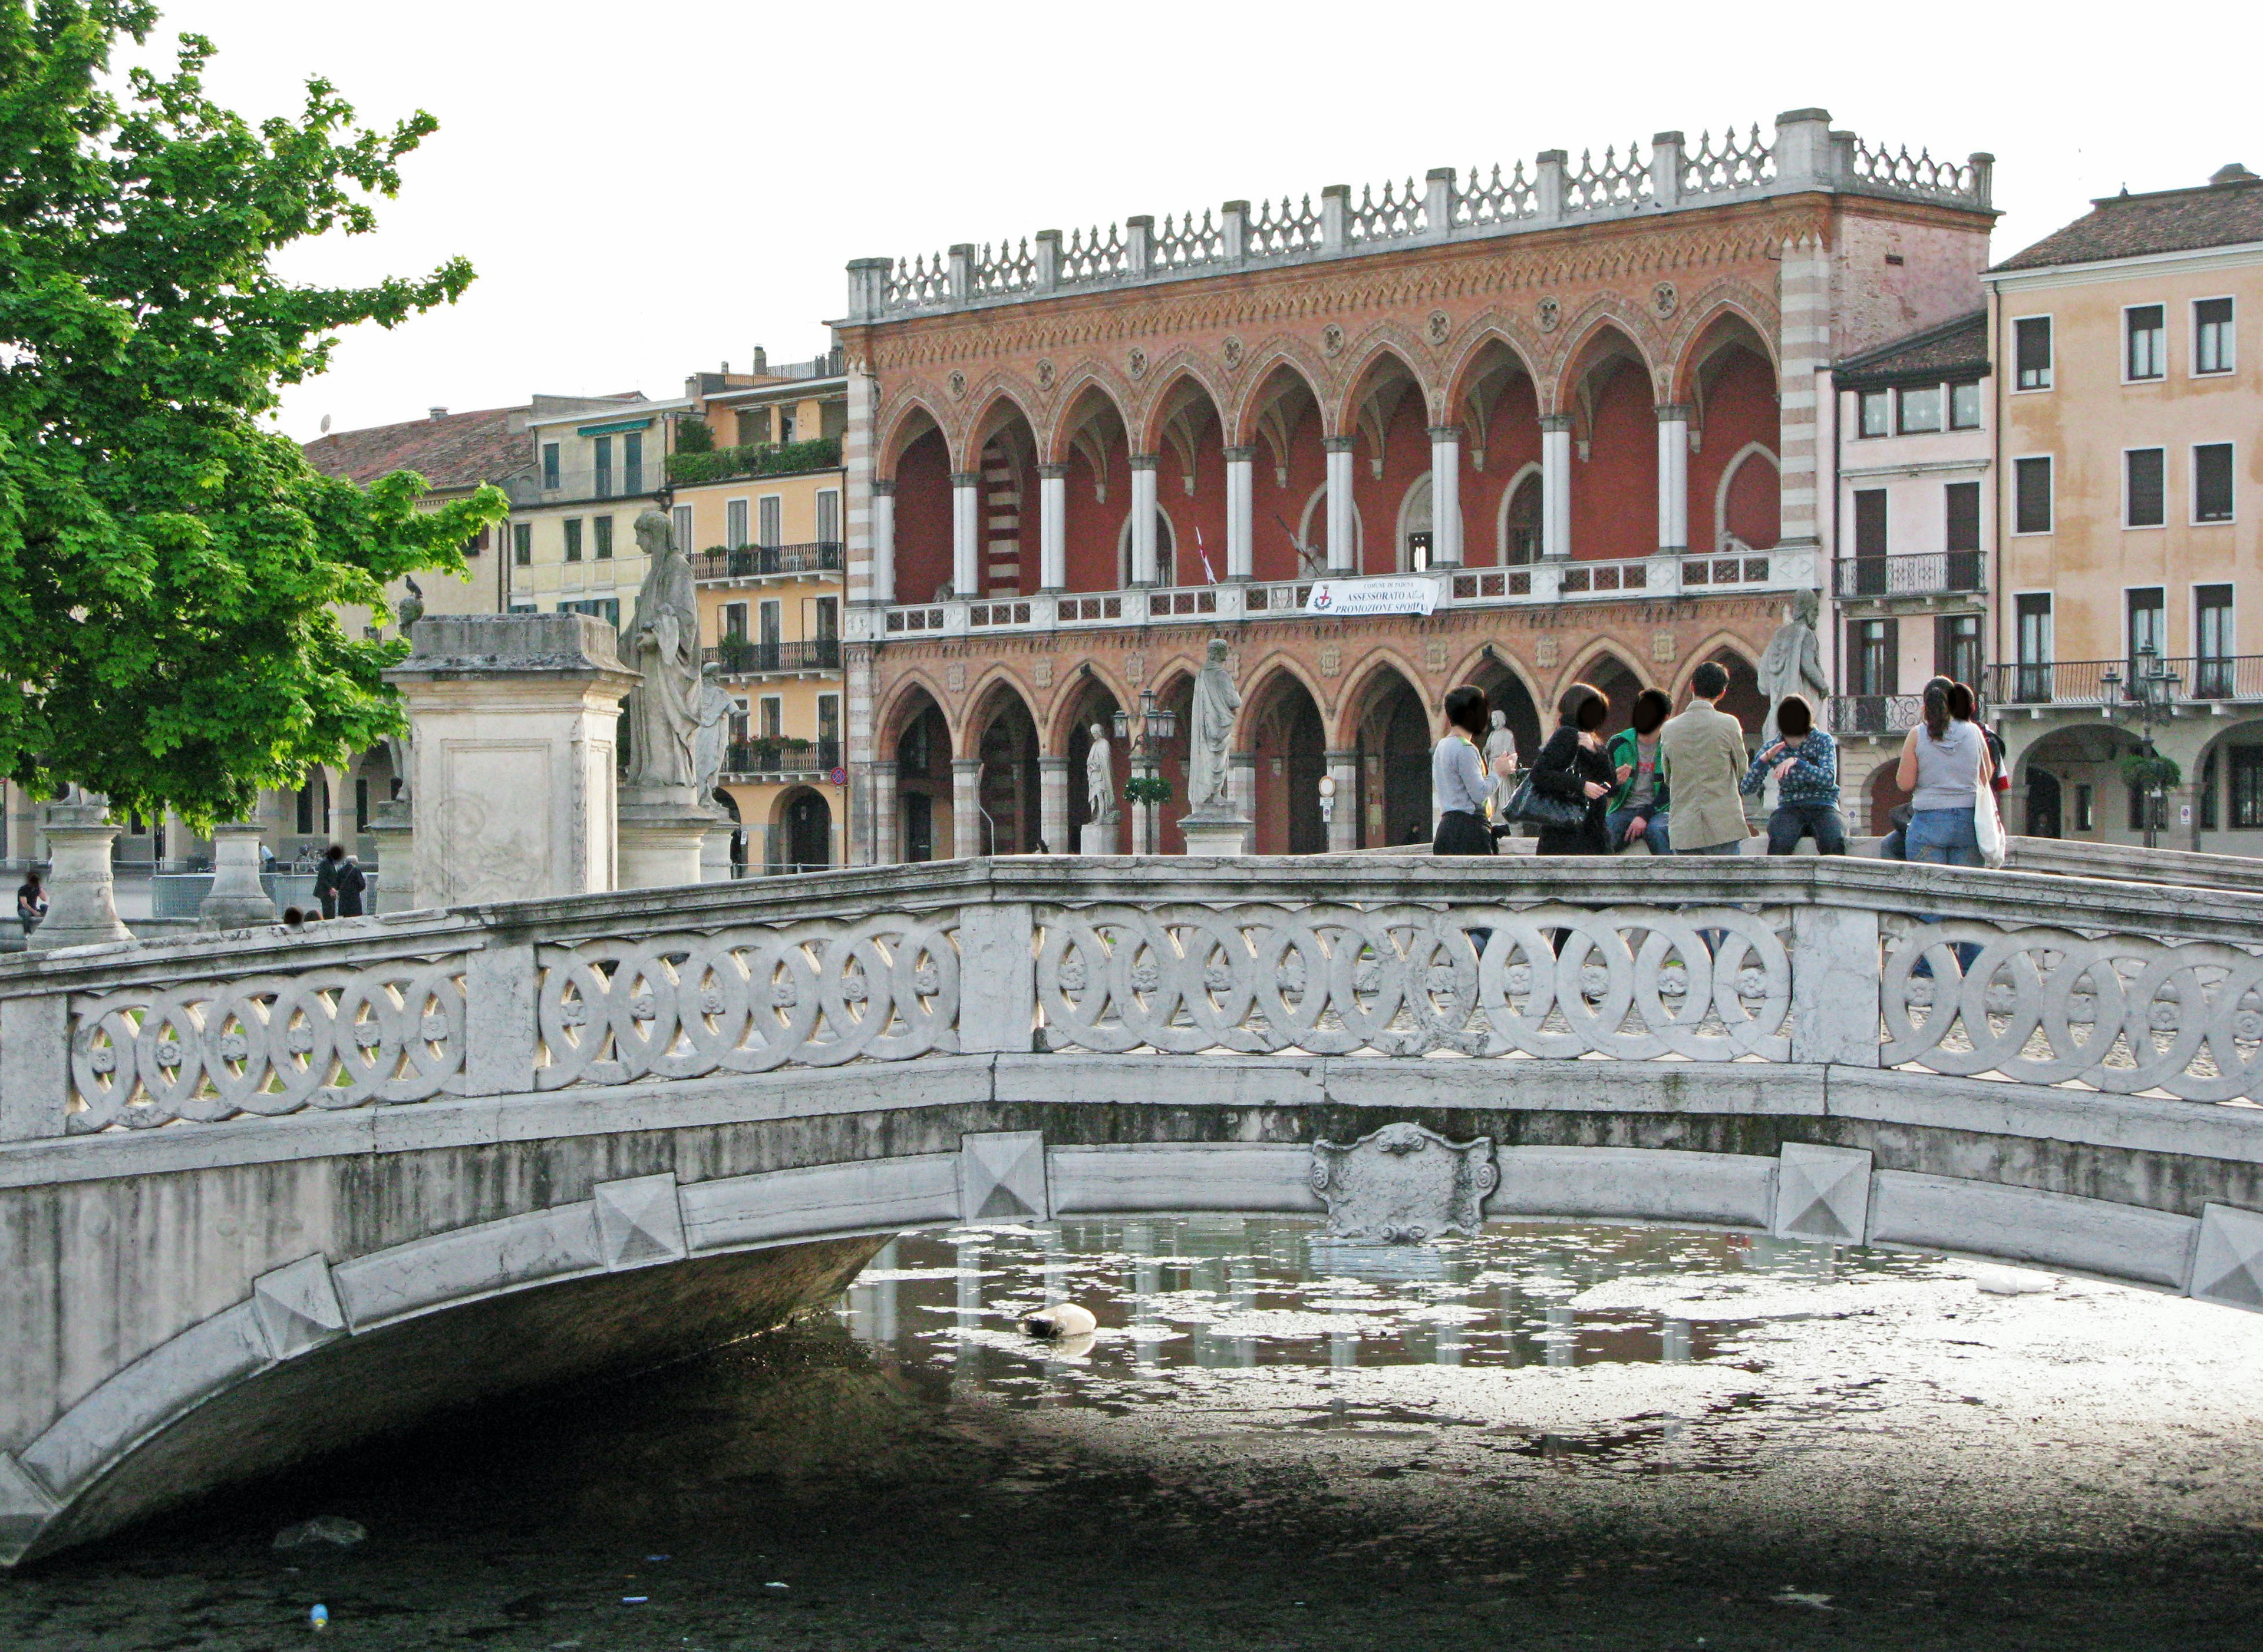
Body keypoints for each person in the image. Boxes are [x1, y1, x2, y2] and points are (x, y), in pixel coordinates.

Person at [1898, 679, 1995, 974]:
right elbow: (1986, 775)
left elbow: (1905, 783)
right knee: (1968, 902)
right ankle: (1973, 970)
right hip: (1968, 824)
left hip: (1929, 824)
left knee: (1929, 901)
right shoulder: (1974, 733)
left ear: (1925, 705)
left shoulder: (1917, 735)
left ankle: (1931, 970)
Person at [1659, 661, 1752, 857]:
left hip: (1684, 826)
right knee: (1728, 886)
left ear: (1692, 686)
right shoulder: (1729, 724)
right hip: (1724, 825)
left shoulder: (1669, 728)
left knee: (1687, 887)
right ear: (1723, 692)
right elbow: (1743, 769)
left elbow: (1668, 776)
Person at [1743, 694, 1845, 854]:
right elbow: (1747, 788)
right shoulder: (1774, 746)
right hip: (1790, 806)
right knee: (1780, 842)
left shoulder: (1822, 740)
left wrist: (1798, 762)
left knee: (1832, 841)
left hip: (1823, 804)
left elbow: (1828, 778)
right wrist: (1762, 761)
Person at [1529, 683, 1616, 856]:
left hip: (1590, 827)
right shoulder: (1567, 734)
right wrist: (1581, 785)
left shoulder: (1590, 739)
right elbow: (1540, 773)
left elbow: (1610, 783)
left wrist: (1596, 752)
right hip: (1568, 831)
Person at [1604, 689, 1673, 855]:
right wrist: (1615, 782)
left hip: (1660, 811)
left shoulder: (1671, 745)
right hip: (1623, 809)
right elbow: (1605, 789)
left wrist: (1644, 816)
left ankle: (1670, 879)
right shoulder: (1618, 742)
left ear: (1664, 718)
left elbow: (1672, 790)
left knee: (1656, 831)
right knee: (1604, 835)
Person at [1431, 685, 1497, 857]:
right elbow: (1479, 794)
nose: (1488, 716)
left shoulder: (1442, 745)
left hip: (1447, 829)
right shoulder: (1466, 748)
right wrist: (1498, 772)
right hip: (1469, 831)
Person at [313, 844, 346, 920]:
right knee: (329, 913)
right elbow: (322, 878)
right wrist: (331, 888)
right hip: (326, 892)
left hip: (330, 892)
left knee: (331, 912)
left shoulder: (331, 862)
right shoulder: (325, 862)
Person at [334, 853, 368, 918]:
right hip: (354, 896)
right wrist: (356, 890)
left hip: (344, 896)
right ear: (354, 862)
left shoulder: (340, 870)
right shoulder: (356, 870)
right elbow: (362, 885)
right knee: (355, 916)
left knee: (346, 916)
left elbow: (337, 884)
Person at [17, 871, 45, 938]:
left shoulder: (37, 888)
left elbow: (44, 899)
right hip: (23, 909)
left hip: (34, 908)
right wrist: (35, 912)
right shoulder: (23, 889)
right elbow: (25, 904)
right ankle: (27, 932)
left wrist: (40, 889)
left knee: (45, 907)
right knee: (26, 914)